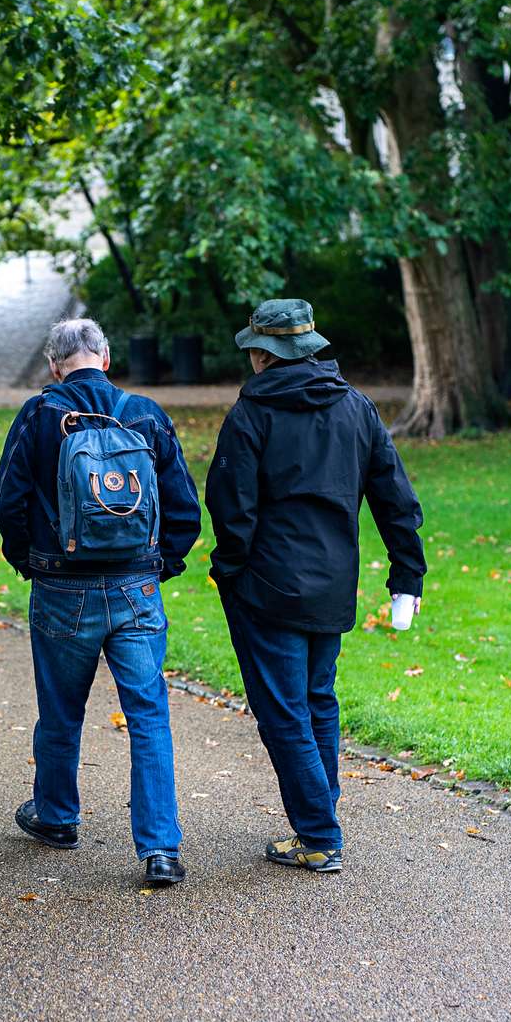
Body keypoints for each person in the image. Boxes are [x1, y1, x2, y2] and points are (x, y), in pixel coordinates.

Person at [205, 298, 426, 873]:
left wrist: (228, 569)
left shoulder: (251, 413)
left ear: (261, 354)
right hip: (333, 584)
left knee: (283, 711)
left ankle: (319, 832)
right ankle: (319, 812)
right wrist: (408, 575)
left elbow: (232, 508)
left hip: (266, 585)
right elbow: (397, 501)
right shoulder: (357, 408)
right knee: (317, 700)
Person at [0, 318, 202, 886]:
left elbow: (7, 505)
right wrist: (160, 566)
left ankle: (58, 817)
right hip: (136, 589)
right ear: (106, 358)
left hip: (61, 588)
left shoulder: (38, 416)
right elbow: (185, 509)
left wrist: (29, 560)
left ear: (55, 366)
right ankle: (160, 849)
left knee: (61, 710)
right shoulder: (144, 414)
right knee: (149, 715)